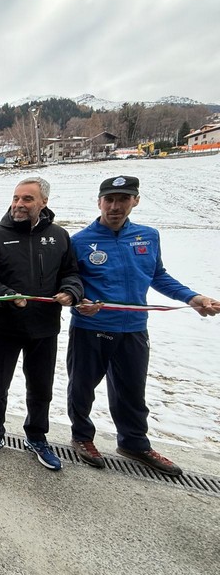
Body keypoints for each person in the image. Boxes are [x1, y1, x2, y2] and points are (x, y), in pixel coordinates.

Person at [67, 175, 220, 476]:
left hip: (134, 328)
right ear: (99, 202)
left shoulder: (148, 236)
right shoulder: (80, 241)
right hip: (91, 328)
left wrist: (193, 297)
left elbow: (158, 276)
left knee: (133, 391)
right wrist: (80, 301)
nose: (115, 206)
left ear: (135, 201)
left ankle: (134, 443)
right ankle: (82, 437)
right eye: (109, 200)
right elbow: (70, 282)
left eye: (123, 199)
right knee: (82, 387)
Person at [0, 177, 83, 471]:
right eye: (16, 198)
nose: (19, 204)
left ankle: (36, 436)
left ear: (43, 202)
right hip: (4, 328)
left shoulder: (59, 236)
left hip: (44, 328)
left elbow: (71, 273)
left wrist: (71, 291)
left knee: (41, 389)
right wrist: (7, 295)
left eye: (27, 199)